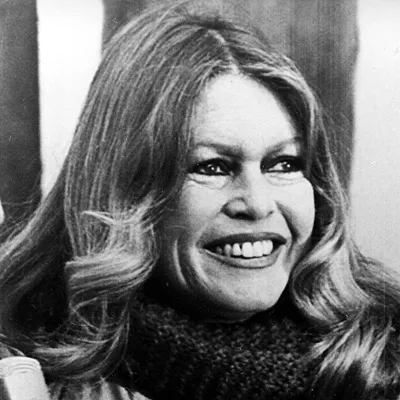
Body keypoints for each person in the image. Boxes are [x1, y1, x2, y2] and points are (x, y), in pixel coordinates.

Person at [0, 3, 399, 400]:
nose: (258, 204)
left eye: (284, 163)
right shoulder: (30, 379)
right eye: (212, 167)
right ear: (125, 192)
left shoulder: (383, 355)